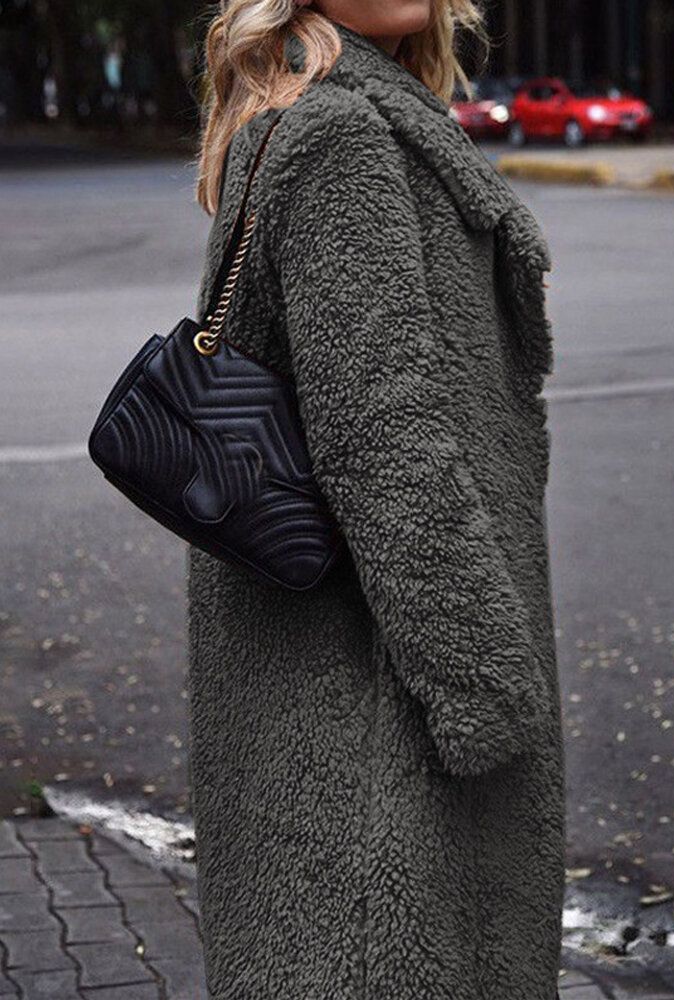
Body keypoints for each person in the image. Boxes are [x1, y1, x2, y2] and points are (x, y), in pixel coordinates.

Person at [190, 1, 565, 997]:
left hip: (342, 673)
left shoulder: (313, 112)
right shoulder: (343, 135)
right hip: (383, 694)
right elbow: (385, 445)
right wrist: (485, 687)